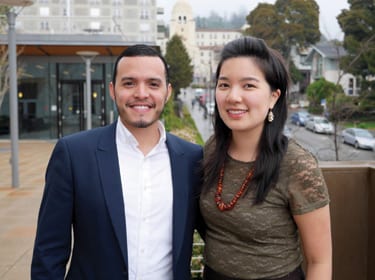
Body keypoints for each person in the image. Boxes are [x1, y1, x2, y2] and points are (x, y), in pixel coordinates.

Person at [31, 44, 203, 280]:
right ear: (113, 90)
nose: (141, 93)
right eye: (129, 83)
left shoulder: (193, 159)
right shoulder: (74, 154)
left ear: (168, 91)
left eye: (153, 84)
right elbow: (49, 251)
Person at [200, 36, 332, 280]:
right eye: (224, 85)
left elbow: (320, 260)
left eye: (248, 86)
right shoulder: (212, 150)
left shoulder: (296, 164)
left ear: (273, 96)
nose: (233, 97)